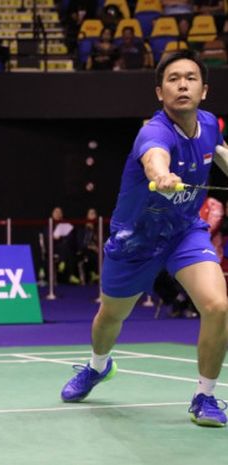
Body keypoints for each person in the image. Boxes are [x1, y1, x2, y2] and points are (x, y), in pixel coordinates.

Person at [61, 50, 228, 428]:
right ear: (159, 92)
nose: (182, 84)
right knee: (111, 316)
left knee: (217, 305)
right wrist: (162, 174)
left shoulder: (210, 123)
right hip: (135, 240)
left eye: (190, 77)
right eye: (173, 79)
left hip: (184, 231)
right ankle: (98, 366)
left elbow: (217, 150)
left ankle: (205, 396)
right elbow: (155, 158)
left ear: (204, 89)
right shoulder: (153, 132)